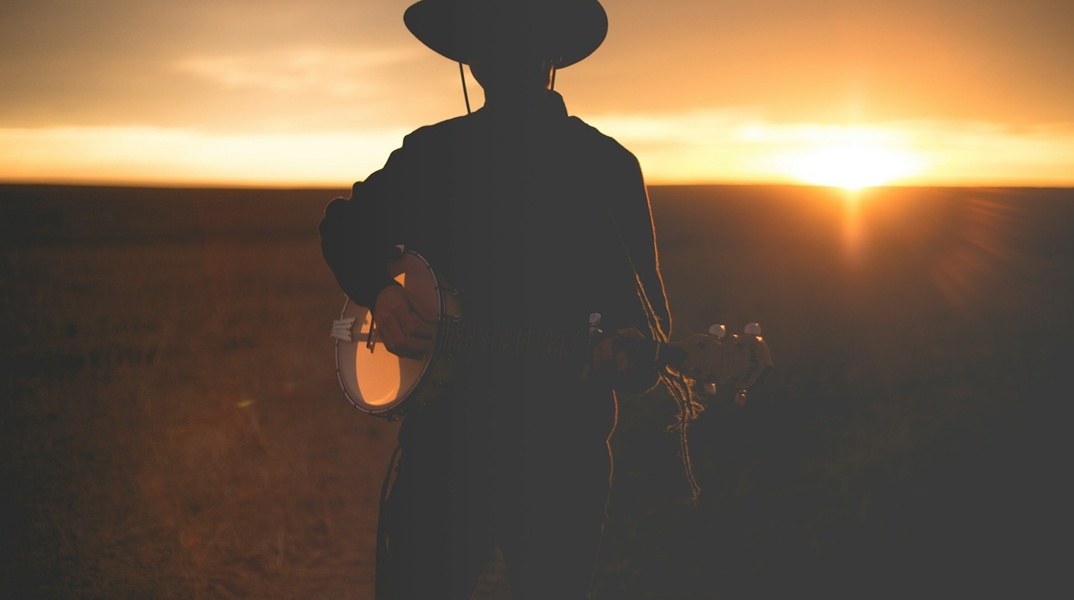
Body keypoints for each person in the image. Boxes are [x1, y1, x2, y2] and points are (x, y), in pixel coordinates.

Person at [319, 1, 685, 597]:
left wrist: (629, 353)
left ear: (546, 54)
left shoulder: (605, 168)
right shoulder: (432, 155)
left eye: (519, 35)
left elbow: (643, 338)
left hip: (557, 460)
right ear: (475, 59)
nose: (503, 52)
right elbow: (344, 228)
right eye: (492, 37)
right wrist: (382, 294)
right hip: (447, 453)